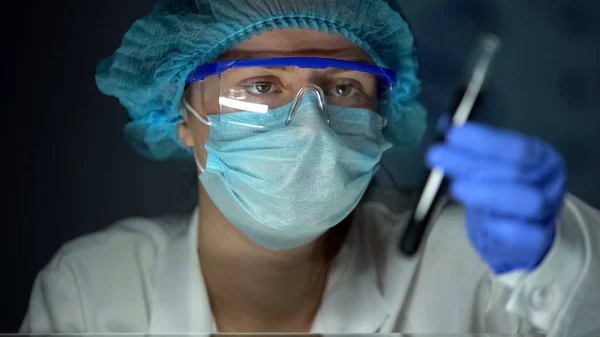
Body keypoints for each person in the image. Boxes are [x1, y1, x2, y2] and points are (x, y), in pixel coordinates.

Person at [20, 0, 600, 335]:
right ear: (182, 115)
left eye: (344, 86)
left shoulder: (470, 266)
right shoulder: (92, 293)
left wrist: (556, 259)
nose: (310, 125)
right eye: (261, 84)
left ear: (383, 114)